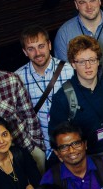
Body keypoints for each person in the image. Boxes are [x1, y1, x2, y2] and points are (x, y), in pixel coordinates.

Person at [49, 35, 103, 157]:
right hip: (88, 159)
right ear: (73, 64)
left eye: (92, 60)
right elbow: (57, 137)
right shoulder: (63, 97)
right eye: (81, 62)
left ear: (98, 61)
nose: (88, 66)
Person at [15, 25, 75, 158]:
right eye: (31, 49)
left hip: (70, 145)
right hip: (38, 148)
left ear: (49, 45)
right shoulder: (17, 78)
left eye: (41, 46)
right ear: (25, 52)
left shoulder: (70, 70)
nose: (37, 53)